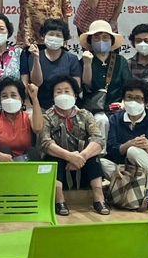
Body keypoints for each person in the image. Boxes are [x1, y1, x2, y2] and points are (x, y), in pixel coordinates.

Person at [34, 77, 106, 215]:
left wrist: (82, 156)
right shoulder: (47, 117)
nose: (63, 95)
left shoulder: (85, 115)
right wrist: (69, 156)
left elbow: (98, 140)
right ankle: (59, 200)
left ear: (75, 95)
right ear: (53, 96)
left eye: (67, 91)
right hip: (61, 166)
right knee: (53, 159)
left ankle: (99, 199)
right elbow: (45, 142)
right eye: (58, 92)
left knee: (93, 157)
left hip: (82, 166)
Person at [103, 80, 148, 209]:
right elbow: (111, 149)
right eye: (129, 97)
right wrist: (129, 144)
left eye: (138, 98)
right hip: (127, 169)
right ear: (123, 99)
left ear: (146, 102)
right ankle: (146, 191)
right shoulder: (115, 119)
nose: (133, 101)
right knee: (101, 163)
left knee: (133, 151)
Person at [21, 19, 83, 109]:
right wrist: (36, 58)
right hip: (41, 105)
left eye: (58, 35)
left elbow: (76, 86)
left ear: (64, 39)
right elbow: (37, 82)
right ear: (44, 36)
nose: (54, 38)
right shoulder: (33, 56)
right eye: (51, 34)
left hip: (66, 104)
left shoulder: (72, 59)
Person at [0, 77, 39, 162]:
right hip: (3, 160)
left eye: (13, 95)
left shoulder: (29, 117)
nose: (9, 99)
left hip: (26, 160)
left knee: (33, 151)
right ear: (0, 100)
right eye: (4, 96)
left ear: (21, 99)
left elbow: (38, 128)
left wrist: (34, 98)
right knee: (3, 149)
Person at [79, 20, 130, 111]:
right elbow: (87, 87)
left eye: (105, 37)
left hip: (117, 108)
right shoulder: (84, 60)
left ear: (111, 41)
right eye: (96, 38)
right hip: (93, 110)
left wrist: (124, 103)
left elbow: (128, 85)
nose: (101, 41)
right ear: (90, 41)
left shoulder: (120, 60)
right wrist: (87, 64)